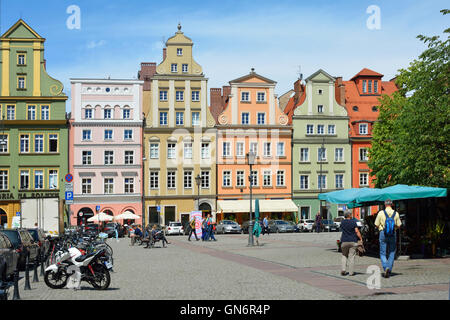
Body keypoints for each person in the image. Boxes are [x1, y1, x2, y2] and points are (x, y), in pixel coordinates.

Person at [375, 199, 402, 278]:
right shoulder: (396, 213)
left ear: (384, 204)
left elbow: (376, 224)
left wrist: (381, 227)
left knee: (383, 252)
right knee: (392, 252)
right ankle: (389, 268)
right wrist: (394, 228)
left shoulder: (381, 213)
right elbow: (399, 225)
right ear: (392, 204)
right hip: (393, 233)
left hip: (383, 233)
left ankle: (385, 267)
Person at [340, 211, 363, 276]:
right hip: (353, 241)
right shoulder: (353, 222)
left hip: (344, 241)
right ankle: (351, 272)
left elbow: (342, 228)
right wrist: (361, 238)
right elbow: (356, 231)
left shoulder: (342, 222)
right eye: (351, 214)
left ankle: (343, 269)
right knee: (351, 257)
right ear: (349, 215)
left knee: (344, 255)